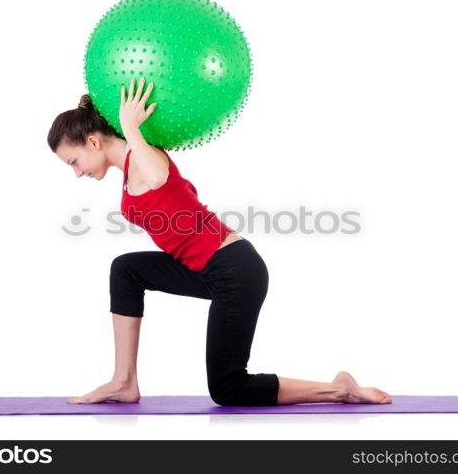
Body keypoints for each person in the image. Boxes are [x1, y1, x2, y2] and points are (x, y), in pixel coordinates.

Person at [47, 77, 392, 406]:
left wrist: (131, 127)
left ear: (93, 142)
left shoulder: (143, 158)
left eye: (74, 161)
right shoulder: (129, 167)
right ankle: (124, 381)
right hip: (204, 269)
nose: (77, 172)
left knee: (228, 388)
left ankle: (338, 389)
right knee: (126, 269)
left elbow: (157, 176)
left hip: (234, 271)